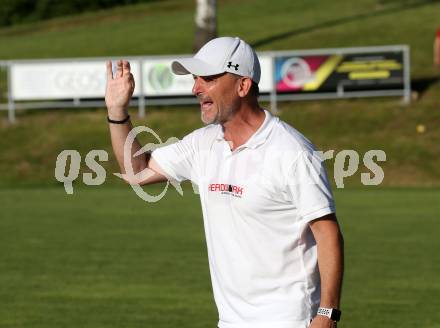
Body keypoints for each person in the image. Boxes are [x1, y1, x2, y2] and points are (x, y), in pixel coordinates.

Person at [105, 36, 344, 328]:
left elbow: (327, 232)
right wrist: (117, 112)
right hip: (231, 321)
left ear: (243, 86)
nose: (196, 88)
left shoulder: (292, 151)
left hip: (289, 319)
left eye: (208, 78)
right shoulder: (203, 144)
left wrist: (327, 313)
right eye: (195, 80)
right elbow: (137, 172)